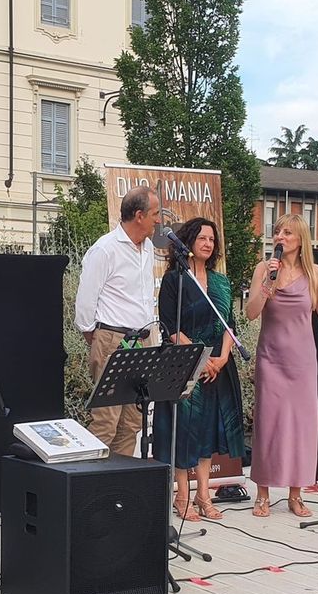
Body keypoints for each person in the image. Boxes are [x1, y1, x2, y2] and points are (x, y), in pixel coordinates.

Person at [152, 218, 244, 521]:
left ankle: (204, 495)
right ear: (189, 241)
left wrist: (222, 357)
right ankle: (182, 495)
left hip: (218, 365)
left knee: (207, 432)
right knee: (184, 430)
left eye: (212, 240)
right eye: (202, 238)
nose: (208, 244)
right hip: (185, 364)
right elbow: (171, 327)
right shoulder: (174, 280)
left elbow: (229, 324)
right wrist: (201, 359)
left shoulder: (221, 282)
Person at [245, 213, 318, 518]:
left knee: (302, 427)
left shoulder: (314, 273)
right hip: (271, 359)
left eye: (287, 233)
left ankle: (296, 494)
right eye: (278, 231)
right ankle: (262, 494)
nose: (280, 237)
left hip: (303, 362)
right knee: (269, 425)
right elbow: (251, 312)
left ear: (301, 239)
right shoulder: (264, 268)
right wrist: (269, 281)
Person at [74, 186, 160, 456]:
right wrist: (98, 338)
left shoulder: (147, 248)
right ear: (139, 215)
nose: (159, 220)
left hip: (142, 340)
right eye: (155, 214)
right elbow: (85, 301)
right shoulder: (105, 249)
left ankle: (120, 478)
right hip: (113, 338)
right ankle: (93, 479)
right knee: (106, 420)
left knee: (132, 422)